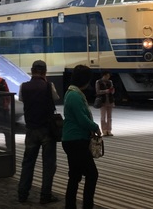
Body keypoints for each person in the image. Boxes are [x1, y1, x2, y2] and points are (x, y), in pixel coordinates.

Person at [18, 60, 60, 205]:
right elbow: (55, 98)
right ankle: (45, 195)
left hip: (30, 129)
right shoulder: (49, 86)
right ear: (45, 72)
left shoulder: (23, 86)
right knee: (48, 164)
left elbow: (22, 99)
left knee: (28, 163)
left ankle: (22, 193)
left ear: (31, 70)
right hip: (47, 130)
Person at [62, 65, 102, 209]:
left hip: (71, 140)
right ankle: (87, 205)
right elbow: (82, 119)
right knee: (92, 174)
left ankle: (70, 205)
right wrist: (95, 127)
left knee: (75, 175)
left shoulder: (72, 92)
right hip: (76, 140)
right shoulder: (75, 95)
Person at [95, 71, 115, 136]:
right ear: (103, 75)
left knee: (109, 117)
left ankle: (109, 130)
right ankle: (104, 130)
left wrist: (112, 91)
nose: (108, 77)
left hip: (110, 101)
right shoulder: (98, 82)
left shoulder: (110, 82)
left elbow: (112, 91)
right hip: (102, 101)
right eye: (107, 76)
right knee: (103, 117)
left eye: (108, 76)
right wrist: (105, 91)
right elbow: (98, 91)